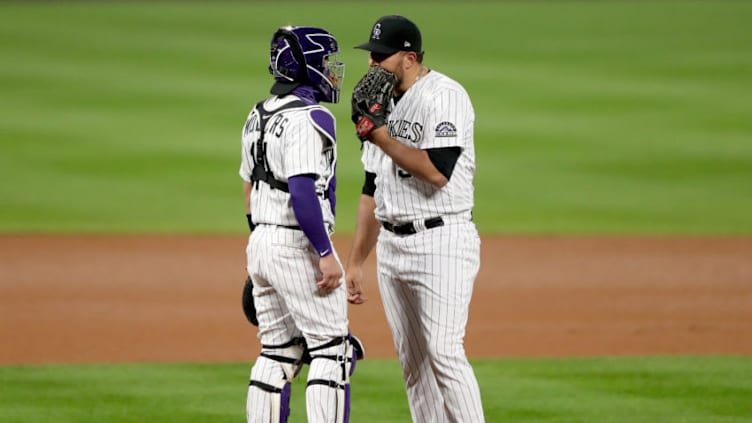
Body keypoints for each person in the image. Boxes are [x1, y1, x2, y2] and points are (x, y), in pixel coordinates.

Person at [346, 15, 486, 422]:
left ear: (409, 57)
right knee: (414, 366)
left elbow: (437, 172)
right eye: (370, 56)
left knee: (444, 353)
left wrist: (379, 133)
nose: (372, 65)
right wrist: (357, 260)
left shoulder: (445, 96)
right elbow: (372, 188)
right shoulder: (382, 103)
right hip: (391, 245)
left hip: (440, 239)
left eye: (381, 57)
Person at [239, 25, 358, 423]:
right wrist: (325, 253)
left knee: (277, 352)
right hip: (297, 243)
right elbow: (302, 190)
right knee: (333, 351)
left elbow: (248, 187)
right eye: (325, 62)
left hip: (262, 241)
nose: (332, 70)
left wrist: (260, 251)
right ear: (304, 66)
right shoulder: (311, 116)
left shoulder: (258, 114)